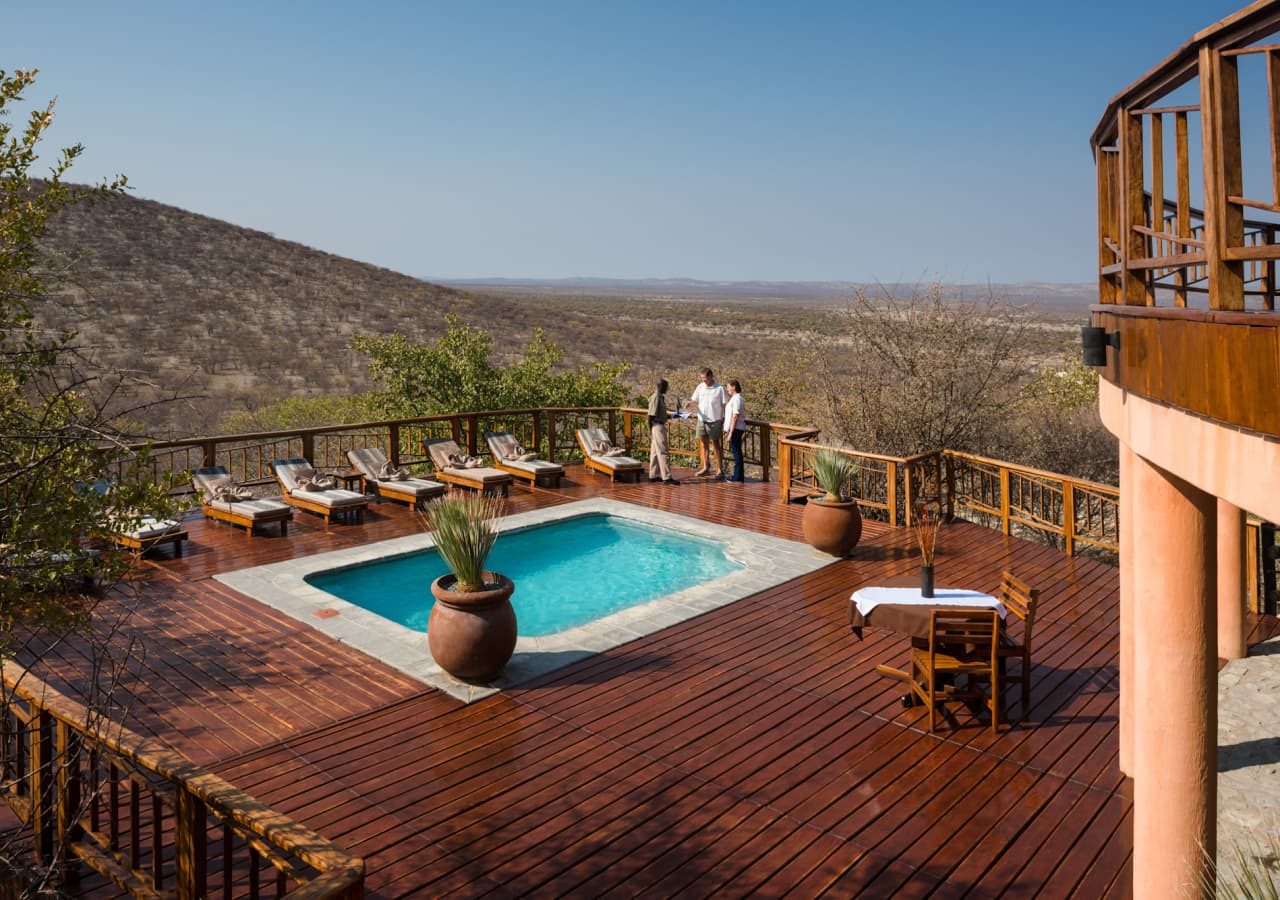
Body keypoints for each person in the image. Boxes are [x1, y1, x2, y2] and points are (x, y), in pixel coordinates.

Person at [685, 367, 727, 480]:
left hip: (715, 420)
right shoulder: (700, 387)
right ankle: (706, 467)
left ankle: (720, 470)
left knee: (716, 445)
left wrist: (725, 420)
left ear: (711, 377)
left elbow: (725, 405)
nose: (703, 381)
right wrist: (689, 403)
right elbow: (695, 400)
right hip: (702, 419)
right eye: (702, 378)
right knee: (704, 443)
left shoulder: (720, 389)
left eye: (705, 378)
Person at [647, 378, 678, 485]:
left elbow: (660, 413)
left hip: (657, 425)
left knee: (655, 452)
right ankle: (667, 477)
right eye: (666, 386)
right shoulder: (656, 398)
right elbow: (650, 415)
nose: (667, 389)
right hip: (657, 426)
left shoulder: (660, 397)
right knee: (663, 451)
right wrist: (650, 429)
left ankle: (653, 475)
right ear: (661, 386)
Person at [724, 379, 746, 483]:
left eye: (728, 387)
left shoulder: (737, 399)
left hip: (736, 429)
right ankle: (738, 476)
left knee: (736, 453)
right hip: (736, 428)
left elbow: (735, 416)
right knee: (737, 452)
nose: (727, 388)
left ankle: (737, 477)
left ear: (733, 387)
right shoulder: (735, 398)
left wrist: (730, 432)